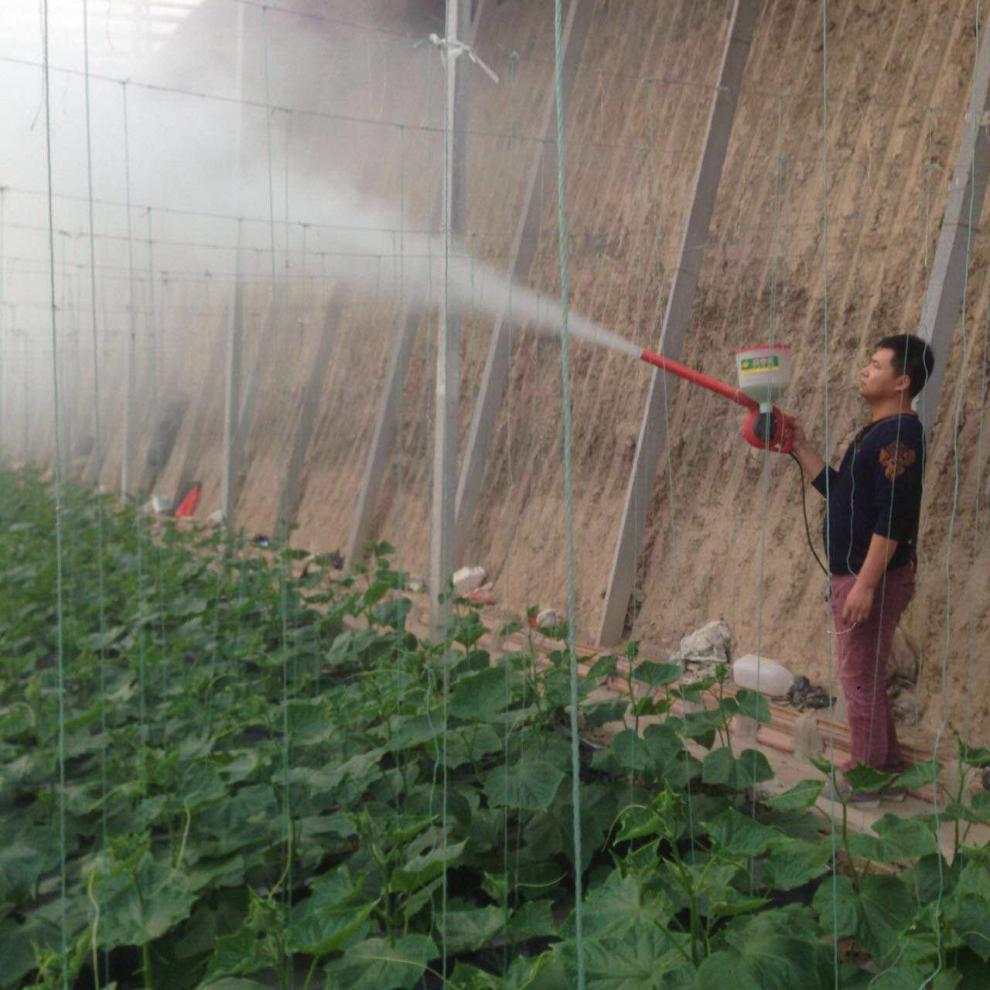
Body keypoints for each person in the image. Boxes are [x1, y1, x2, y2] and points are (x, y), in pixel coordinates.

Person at [791, 334, 934, 805]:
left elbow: (894, 516)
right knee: (866, 673)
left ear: (903, 380)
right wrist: (799, 446)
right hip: (858, 575)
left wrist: (866, 584)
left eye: (876, 364)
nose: (865, 370)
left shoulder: (899, 436)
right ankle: (887, 766)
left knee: (858, 678)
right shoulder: (877, 433)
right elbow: (840, 491)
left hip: (870, 576)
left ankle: (863, 777)